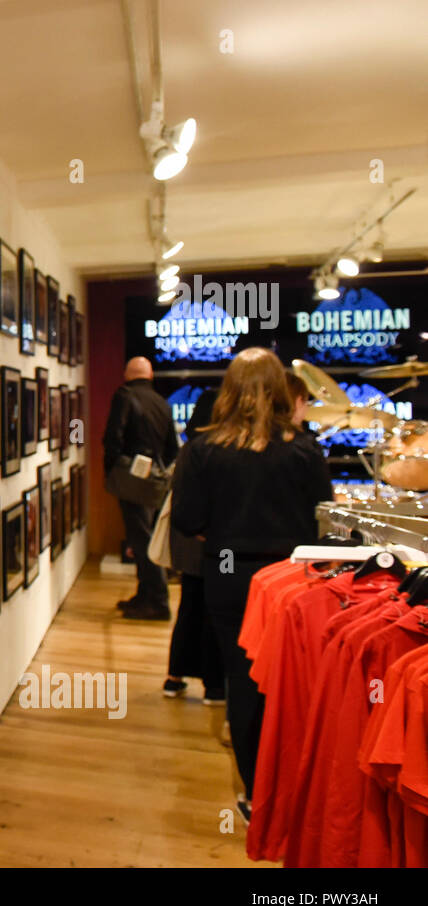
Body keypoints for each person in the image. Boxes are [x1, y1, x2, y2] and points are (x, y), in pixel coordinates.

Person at [171, 348, 332, 822]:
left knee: (245, 682)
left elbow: (187, 519)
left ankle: (257, 794)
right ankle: (298, 787)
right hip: (292, 575)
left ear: (229, 389)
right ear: (283, 391)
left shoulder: (201, 449)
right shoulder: (303, 448)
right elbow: (323, 518)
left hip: (227, 570)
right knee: (294, 682)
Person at [103, 356, 179, 619]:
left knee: (142, 539)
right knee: (147, 537)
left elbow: (113, 437)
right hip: (155, 483)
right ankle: (145, 594)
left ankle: (157, 600)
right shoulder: (162, 403)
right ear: (149, 375)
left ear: (127, 374)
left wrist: (113, 469)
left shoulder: (124, 396)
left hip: (131, 480)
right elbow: (173, 449)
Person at [162, 387, 224, 702]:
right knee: (213, 610)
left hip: (187, 543)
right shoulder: (213, 449)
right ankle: (214, 684)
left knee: (189, 607)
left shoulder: (190, 447)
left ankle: (174, 677)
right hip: (211, 543)